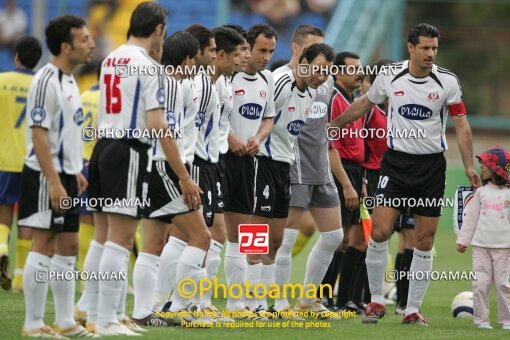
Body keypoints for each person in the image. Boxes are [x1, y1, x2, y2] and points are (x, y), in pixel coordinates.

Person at [329, 23, 480, 326]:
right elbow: (364, 103)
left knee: (423, 240)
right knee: (381, 231)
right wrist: (334, 125)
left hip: (431, 168)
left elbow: (461, 123)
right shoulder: (389, 76)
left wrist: (468, 165)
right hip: (395, 165)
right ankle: (374, 301)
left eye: (434, 48)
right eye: (425, 47)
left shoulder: (447, 81)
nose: (430, 53)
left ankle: (411, 309)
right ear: (411, 48)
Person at [18, 15, 95, 338]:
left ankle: (64, 321)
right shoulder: (45, 81)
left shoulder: (70, 81)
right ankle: (33, 323)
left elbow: (64, 134)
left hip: (65, 173)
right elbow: (38, 136)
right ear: (66, 47)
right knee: (45, 243)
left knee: (68, 246)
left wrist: (74, 169)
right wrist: (53, 181)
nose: (91, 44)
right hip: (44, 175)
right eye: (84, 39)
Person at [223, 23, 277, 314]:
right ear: (246, 47)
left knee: (246, 233)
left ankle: (245, 303)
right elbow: (217, 115)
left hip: (251, 162)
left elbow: (268, 117)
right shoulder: (228, 77)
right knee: (216, 233)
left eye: (271, 51)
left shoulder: (267, 80)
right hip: (221, 159)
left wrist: (258, 137)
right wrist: (231, 138)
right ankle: (195, 301)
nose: (266, 56)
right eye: (261, 50)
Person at [273, 24, 324, 258]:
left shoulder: (313, 90)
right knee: (254, 232)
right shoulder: (279, 80)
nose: (318, 56)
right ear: (296, 48)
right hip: (263, 164)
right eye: (312, 49)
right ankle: (246, 290)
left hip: (288, 166)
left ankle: (270, 291)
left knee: (280, 238)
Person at [0, 36, 41, 293]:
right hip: (32, 162)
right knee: (27, 217)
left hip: (3, 159)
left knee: (3, 210)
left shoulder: (1, 82)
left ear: (16, 56)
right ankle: (18, 278)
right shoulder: (42, 84)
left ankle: (2, 247)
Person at [326, 51, 365, 312]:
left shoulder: (356, 100)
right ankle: (321, 295)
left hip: (356, 172)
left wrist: (359, 181)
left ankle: (343, 299)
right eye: (353, 69)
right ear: (338, 73)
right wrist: (347, 185)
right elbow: (331, 148)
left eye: (360, 69)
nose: (359, 73)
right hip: (340, 173)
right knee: (336, 238)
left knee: (350, 238)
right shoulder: (334, 100)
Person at [456, 146, 510, 330]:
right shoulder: (481, 193)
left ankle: (507, 321)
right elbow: (471, 219)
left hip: (504, 248)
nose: (482, 167)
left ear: (498, 168)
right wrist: (463, 240)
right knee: (480, 283)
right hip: (480, 247)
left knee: (503, 285)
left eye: (485, 164)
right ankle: (481, 320)